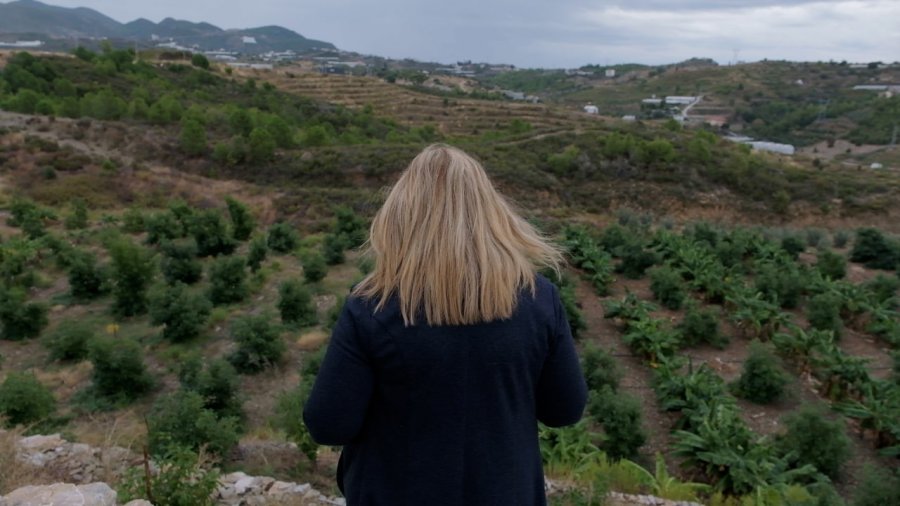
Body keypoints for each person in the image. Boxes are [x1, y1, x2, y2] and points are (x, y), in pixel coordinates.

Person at [303, 143, 587, 506]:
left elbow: (328, 424)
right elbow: (565, 409)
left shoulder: (372, 307)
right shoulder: (538, 299)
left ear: (401, 214)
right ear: (492, 212)